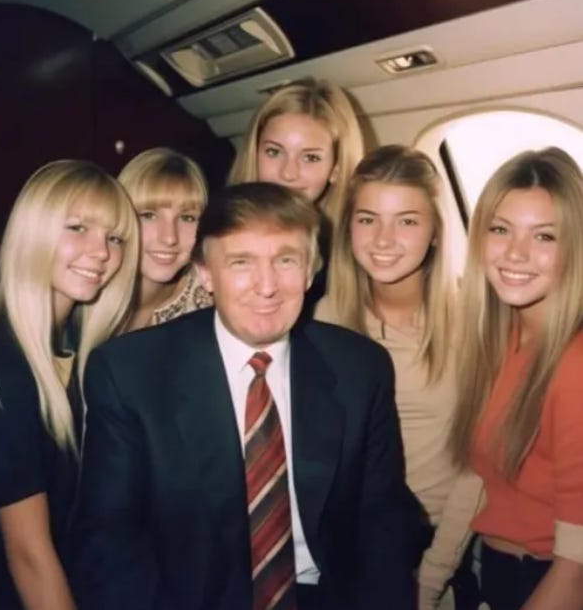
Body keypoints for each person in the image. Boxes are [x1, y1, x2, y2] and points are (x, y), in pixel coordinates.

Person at [72, 182, 418, 610]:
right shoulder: (131, 373)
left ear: (310, 270)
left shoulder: (358, 369)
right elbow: (109, 544)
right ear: (205, 273)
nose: (267, 286)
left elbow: (382, 526)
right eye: (241, 262)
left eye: (286, 260)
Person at [314, 145, 483, 609]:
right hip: (349, 546)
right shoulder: (325, 318)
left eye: (407, 221)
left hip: (439, 543)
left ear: (435, 232)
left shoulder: (472, 323)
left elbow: (478, 471)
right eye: (368, 219)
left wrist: (429, 580)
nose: (383, 239)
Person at [0, 160, 139, 610]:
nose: (101, 252)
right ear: (33, 233)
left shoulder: (76, 354)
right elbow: (29, 555)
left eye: (115, 238)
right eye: (78, 228)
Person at [449, 147, 583, 609]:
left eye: (544, 236)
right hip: (495, 568)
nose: (515, 253)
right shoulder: (503, 337)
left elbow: (575, 571)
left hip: (545, 581)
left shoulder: (575, 365)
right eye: (500, 229)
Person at [228, 77, 367, 313]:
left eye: (310, 157)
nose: (288, 173)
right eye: (274, 152)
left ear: (336, 168)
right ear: (254, 153)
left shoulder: (352, 250)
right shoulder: (217, 228)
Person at [118, 147, 212, 331]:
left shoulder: (211, 302)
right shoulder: (85, 287)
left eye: (187, 218)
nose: (169, 238)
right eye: (149, 215)